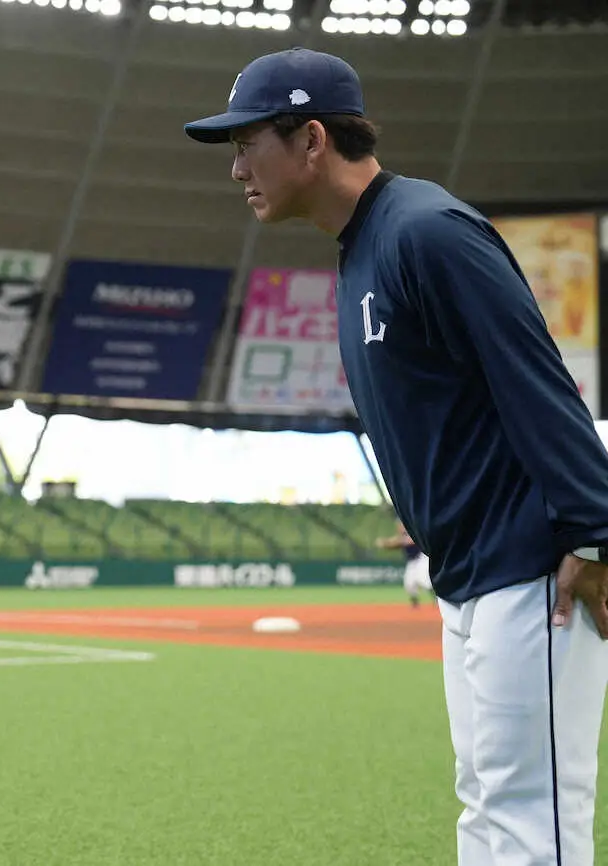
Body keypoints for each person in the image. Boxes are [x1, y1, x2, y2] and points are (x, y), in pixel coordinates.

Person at [185, 47, 608, 866]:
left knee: (533, 821)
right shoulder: (364, 248)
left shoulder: (426, 229)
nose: (236, 167)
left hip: (531, 574)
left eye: (247, 143)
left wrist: (595, 536)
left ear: (311, 140)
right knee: (486, 806)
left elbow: (540, 384)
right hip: (468, 574)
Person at [376, 520, 431, 608]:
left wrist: (385, 543)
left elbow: (401, 541)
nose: (400, 527)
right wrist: (386, 543)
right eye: (399, 526)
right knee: (408, 583)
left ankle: (436, 598)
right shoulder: (402, 536)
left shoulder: (414, 532)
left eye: (401, 525)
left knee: (424, 580)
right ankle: (415, 603)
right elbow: (396, 542)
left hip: (421, 559)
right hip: (412, 562)